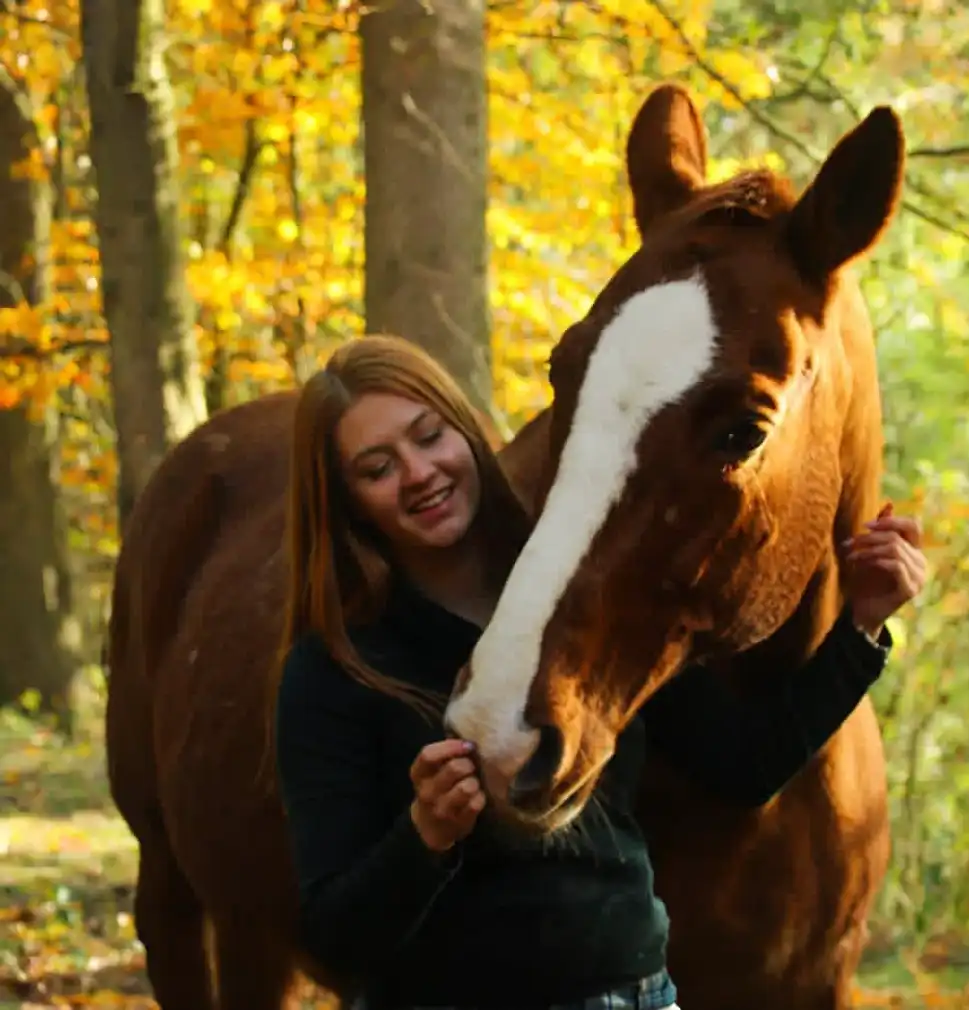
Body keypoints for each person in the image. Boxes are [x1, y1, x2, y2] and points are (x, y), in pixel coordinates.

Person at [271, 335, 927, 1010]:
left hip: (633, 995)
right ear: (345, 502)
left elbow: (742, 765)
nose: (417, 472)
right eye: (377, 467)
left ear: (464, 434)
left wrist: (863, 627)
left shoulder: (586, 598)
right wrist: (425, 835)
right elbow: (332, 937)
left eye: (429, 436)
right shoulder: (337, 669)